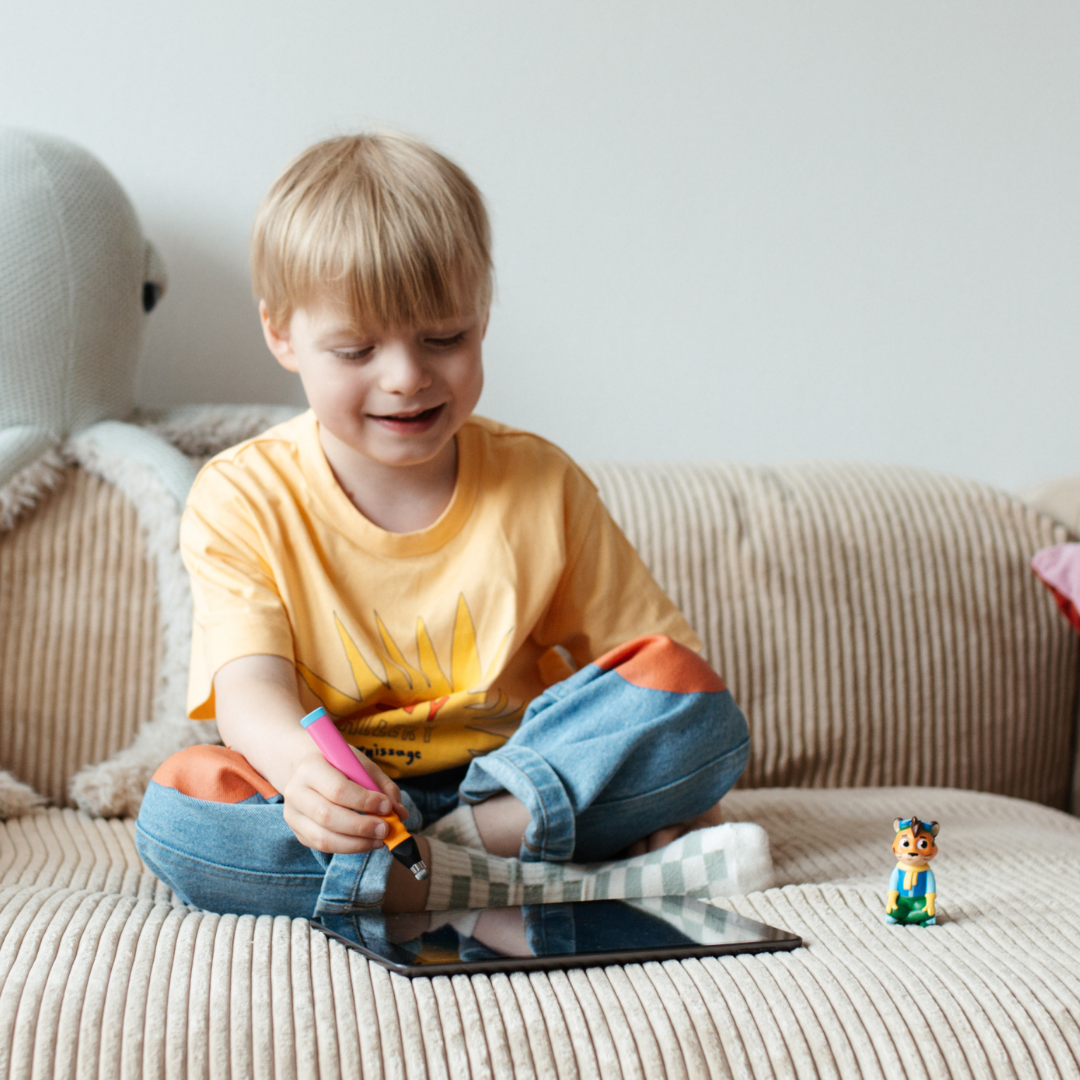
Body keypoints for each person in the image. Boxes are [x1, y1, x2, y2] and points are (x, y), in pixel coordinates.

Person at [135, 132, 756, 919]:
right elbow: (249, 690)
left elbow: (657, 669)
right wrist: (302, 778)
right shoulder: (241, 494)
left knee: (697, 710)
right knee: (182, 819)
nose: (406, 377)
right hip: (350, 804)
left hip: (520, 779)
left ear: (483, 314)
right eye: (356, 348)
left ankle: (450, 859)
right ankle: (520, 867)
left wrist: (658, 767)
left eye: (444, 338)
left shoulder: (541, 483)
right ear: (282, 333)